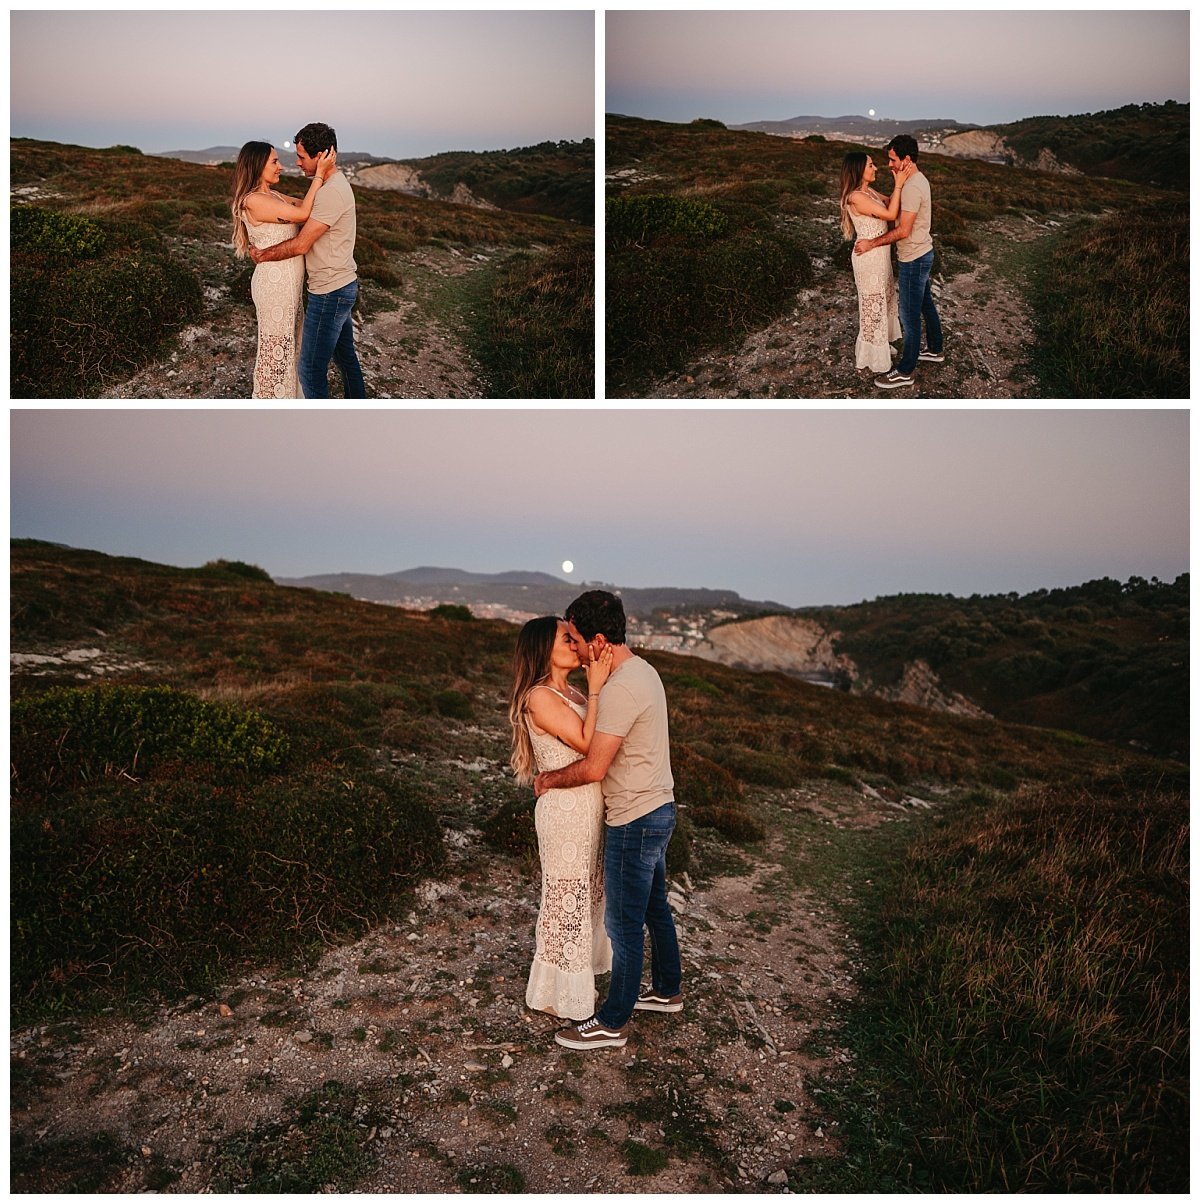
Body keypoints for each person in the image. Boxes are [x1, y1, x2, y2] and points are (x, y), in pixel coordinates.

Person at [533, 590, 682, 1051]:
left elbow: (594, 766)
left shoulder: (618, 689)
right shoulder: (643, 671)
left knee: (622, 923)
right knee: (655, 907)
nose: (574, 648)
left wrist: (549, 780)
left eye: (577, 639)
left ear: (599, 639)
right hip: (659, 808)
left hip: (634, 819)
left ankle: (612, 1021)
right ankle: (667, 990)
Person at [510, 617, 615, 1021]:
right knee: (564, 900)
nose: (576, 643)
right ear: (542, 649)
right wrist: (597, 685)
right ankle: (556, 994)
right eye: (566, 638)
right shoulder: (539, 697)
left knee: (587, 894)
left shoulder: (567, 691)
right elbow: (589, 743)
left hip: (588, 808)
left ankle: (576, 978)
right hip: (565, 814)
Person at [249, 122, 366, 398]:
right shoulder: (330, 187)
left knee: (311, 371)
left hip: (329, 292)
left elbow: (301, 244)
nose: (297, 162)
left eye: (302, 157)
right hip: (340, 285)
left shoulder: (330, 191)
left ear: (321, 156)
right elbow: (295, 208)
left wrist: (263, 254)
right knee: (346, 359)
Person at [230, 141, 337, 398]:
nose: (281, 167)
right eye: (274, 162)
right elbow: (301, 214)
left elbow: (308, 206)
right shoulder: (254, 200)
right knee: (276, 349)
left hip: (288, 285)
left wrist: (334, 193)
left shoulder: (273, 196)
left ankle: (289, 398)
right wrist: (319, 174)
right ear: (257, 166)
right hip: (274, 286)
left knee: (292, 347)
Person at [853, 134, 945, 389]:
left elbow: (903, 230)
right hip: (920, 253)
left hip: (913, 258)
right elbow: (886, 204)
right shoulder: (911, 181)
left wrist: (872, 243)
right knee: (926, 304)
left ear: (906, 159)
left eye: (893, 159)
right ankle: (936, 349)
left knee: (909, 316)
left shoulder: (914, 186)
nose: (889, 164)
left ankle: (905, 371)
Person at [839, 151, 915, 374]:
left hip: (879, 254)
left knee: (883, 298)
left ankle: (881, 345)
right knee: (873, 303)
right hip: (869, 258)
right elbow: (891, 215)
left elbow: (889, 203)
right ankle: (873, 356)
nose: (876, 168)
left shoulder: (868, 192)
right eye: (871, 165)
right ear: (858, 170)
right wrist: (899, 184)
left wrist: (898, 182)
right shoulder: (856, 197)